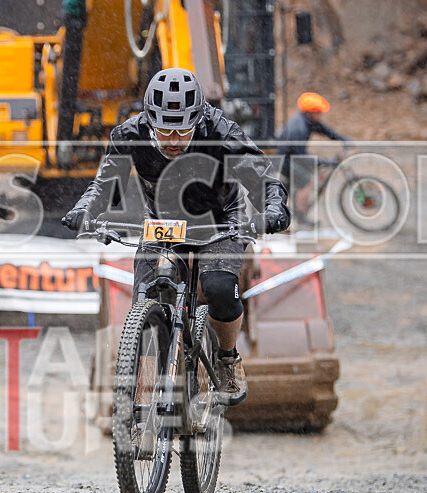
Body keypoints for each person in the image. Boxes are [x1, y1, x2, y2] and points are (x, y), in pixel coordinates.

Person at [62, 68, 290, 405]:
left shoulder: (221, 131)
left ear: (197, 120)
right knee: (146, 296)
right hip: (162, 223)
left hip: (220, 221)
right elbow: (104, 185)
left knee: (218, 288)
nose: (172, 140)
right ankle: (142, 402)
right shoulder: (130, 135)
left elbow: (264, 180)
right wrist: (85, 211)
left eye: (182, 130)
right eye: (164, 130)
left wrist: (272, 210)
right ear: (150, 121)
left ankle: (227, 359)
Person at [275, 92, 351, 218]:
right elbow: (301, 157)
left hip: (291, 157)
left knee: (289, 186)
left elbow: (326, 131)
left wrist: (342, 139)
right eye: (318, 112)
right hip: (285, 160)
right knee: (306, 182)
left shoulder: (308, 121)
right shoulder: (299, 128)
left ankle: (285, 207)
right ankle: (300, 216)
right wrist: (325, 161)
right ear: (309, 112)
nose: (320, 115)